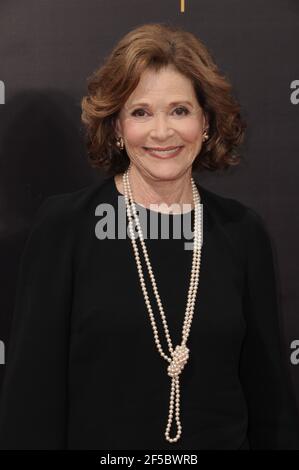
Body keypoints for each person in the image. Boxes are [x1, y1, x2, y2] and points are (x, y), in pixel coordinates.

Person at [0, 22, 299, 450]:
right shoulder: (66, 227)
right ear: (118, 127)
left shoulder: (240, 231)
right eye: (141, 112)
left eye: (180, 110)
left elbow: (271, 405)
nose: (162, 132)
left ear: (207, 122)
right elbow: (30, 404)